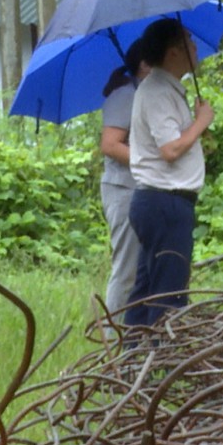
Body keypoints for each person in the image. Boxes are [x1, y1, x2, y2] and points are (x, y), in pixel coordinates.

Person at [124, 18, 212, 327]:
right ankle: (161, 364)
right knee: (168, 295)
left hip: (162, 202)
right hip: (165, 203)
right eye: (188, 41)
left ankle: (132, 362)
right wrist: (202, 122)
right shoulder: (158, 91)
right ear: (173, 53)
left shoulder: (165, 89)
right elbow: (171, 150)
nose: (195, 46)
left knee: (147, 290)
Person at [97, 38, 149, 322]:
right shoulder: (125, 94)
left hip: (141, 188)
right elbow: (111, 145)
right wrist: (152, 163)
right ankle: (113, 340)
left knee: (144, 269)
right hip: (123, 190)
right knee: (127, 270)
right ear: (144, 65)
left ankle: (138, 337)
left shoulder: (143, 93)